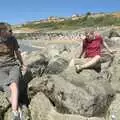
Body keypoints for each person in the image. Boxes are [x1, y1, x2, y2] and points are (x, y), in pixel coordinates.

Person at [0, 22, 26, 120]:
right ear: (1, 31)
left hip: (13, 66)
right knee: (7, 87)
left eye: (11, 30)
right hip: (0, 68)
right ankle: (18, 109)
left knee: (13, 85)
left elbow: (17, 53)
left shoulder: (13, 39)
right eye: (9, 30)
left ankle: (14, 113)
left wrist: (23, 64)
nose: (11, 32)